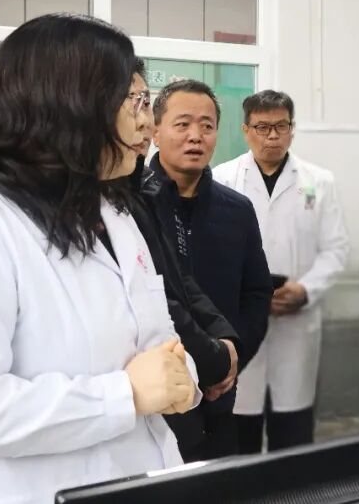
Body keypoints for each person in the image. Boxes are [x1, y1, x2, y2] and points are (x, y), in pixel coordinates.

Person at [0, 14, 198, 504]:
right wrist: (123, 396)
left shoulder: (111, 213)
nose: (148, 121)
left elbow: (158, 344)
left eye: (147, 101)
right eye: (134, 101)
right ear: (69, 103)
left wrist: (183, 379)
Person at [213, 90, 349, 453]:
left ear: (292, 129)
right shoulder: (222, 180)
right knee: (239, 432)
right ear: (245, 130)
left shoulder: (318, 182)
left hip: (295, 324)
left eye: (280, 126)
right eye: (262, 127)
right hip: (240, 322)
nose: (272, 136)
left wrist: (305, 290)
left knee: (292, 434)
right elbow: (214, 254)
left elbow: (335, 249)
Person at [145, 79, 273, 461]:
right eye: (182, 124)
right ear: (155, 132)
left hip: (219, 396)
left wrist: (231, 360)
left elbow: (256, 293)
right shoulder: (134, 205)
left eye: (207, 125)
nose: (195, 136)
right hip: (155, 399)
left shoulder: (237, 209)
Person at [126, 65, 243, 455]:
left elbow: (178, 281)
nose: (142, 124)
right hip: (154, 391)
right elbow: (161, 297)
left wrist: (228, 348)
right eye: (134, 105)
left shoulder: (235, 207)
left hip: (213, 380)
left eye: (207, 126)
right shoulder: (141, 195)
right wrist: (213, 359)